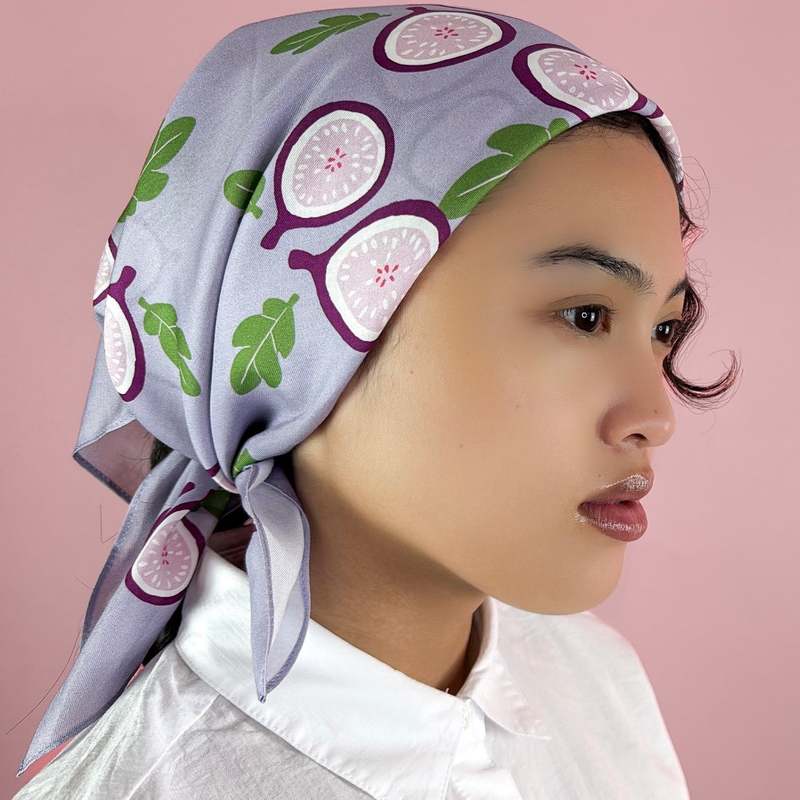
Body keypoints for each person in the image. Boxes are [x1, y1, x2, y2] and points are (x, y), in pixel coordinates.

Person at [13, 4, 738, 798]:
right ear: (304, 335)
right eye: (585, 316)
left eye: (664, 329)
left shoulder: (595, 680)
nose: (656, 416)